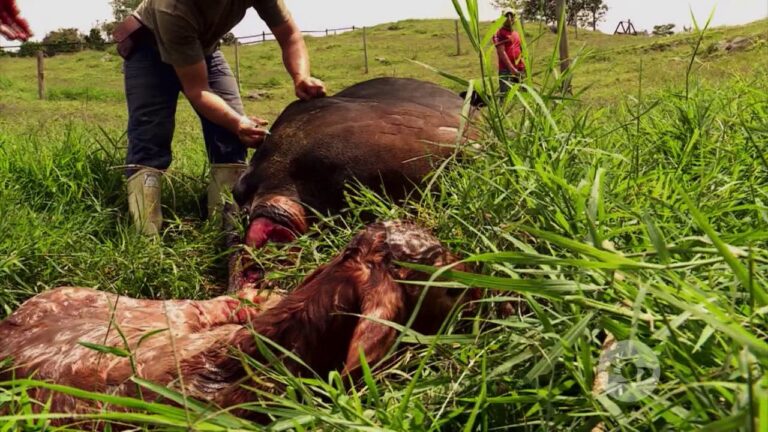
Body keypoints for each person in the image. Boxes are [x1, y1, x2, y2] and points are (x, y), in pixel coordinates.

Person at [117, 0, 327, 235]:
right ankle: (146, 237)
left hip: (204, 48)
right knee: (150, 138)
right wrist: (237, 122)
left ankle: (223, 229)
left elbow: (289, 36)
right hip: (150, 47)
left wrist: (301, 77)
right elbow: (198, 90)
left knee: (231, 138)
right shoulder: (172, 7)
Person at [492, 10, 525, 97]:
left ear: (514, 19)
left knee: (521, 95)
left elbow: (521, 50)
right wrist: (512, 69)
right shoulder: (498, 33)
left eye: (511, 16)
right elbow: (501, 52)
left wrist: (523, 64)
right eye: (507, 16)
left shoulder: (516, 34)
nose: (509, 18)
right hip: (506, 70)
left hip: (519, 68)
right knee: (505, 96)